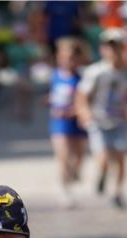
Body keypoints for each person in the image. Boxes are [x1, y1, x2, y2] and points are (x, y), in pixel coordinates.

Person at [74, 27, 127, 208]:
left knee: (120, 157)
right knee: (103, 156)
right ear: (102, 49)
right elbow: (82, 95)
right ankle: (102, 173)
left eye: (116, 46)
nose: (112, 51)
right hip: (98, 119)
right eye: (108, 46)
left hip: (119, 120)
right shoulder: (95, 72)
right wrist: (84, 112)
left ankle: (118, 192)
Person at [48, 36, 88, 206]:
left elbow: (86, 101)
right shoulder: (55, 75)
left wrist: (76, 110)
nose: (66, 61)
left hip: (77, 122)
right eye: (63, 57)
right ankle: (65, 191)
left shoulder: (82, 78)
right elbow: (55, 95)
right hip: (59, 123)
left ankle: (75, 173)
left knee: (78, 156)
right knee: (63, 157)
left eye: (70, 58)